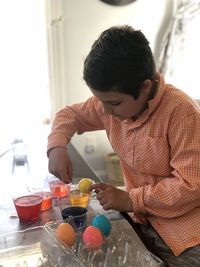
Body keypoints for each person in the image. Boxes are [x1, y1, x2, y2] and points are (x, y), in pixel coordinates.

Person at [47, 25, 200, 266]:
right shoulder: (109, 106)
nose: (105, 111)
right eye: (100, 101)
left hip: (186, 232)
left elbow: (191, 185)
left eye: (114, 103)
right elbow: (69, 115)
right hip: (141, 220)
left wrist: (131, 200)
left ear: (145, 87)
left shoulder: (182, 113)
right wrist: (57, 145)